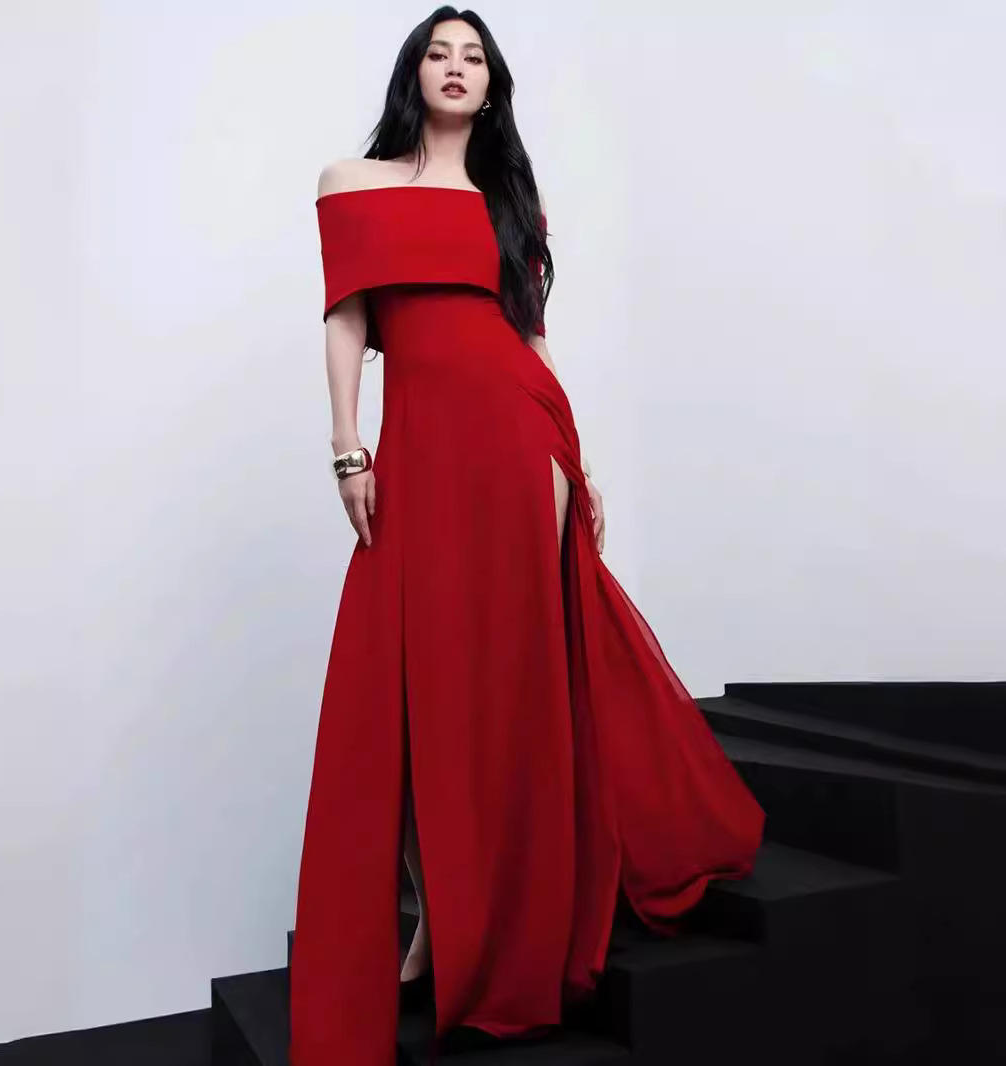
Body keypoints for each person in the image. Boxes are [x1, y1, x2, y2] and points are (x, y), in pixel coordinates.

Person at [288, 9, 765, 1066]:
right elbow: (346, 318)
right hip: (418, 453)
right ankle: (434, 909)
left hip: (520, 440)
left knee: (508, 684)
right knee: (415, 685)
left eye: (475, 57)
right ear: (413, 74)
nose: (456, 68)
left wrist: (573, 465)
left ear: (492, 86)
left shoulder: (511, 200)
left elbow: (530, 339)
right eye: (439, 52)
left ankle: (492, 921)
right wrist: (347, 449)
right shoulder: (350, 183)